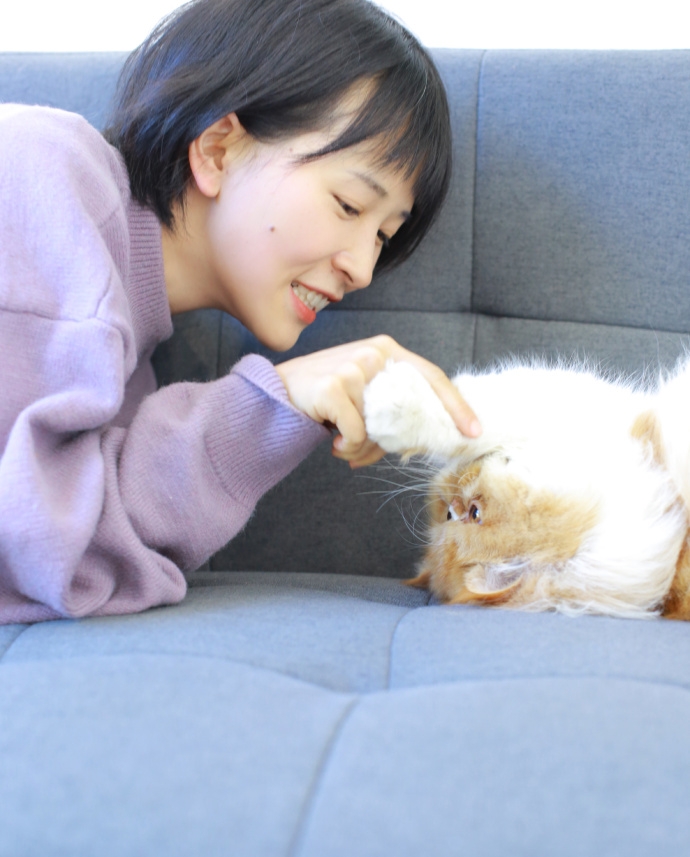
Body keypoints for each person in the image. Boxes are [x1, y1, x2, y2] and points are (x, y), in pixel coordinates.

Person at [0, 0, 480, 624]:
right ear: (220, 149)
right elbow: (28, 544)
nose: (363, 269)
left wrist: (269, 409)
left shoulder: (131, 360)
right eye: (348, 204)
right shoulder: (39, 176)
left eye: (385, 235)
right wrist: (264, 400)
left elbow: (65, 560)